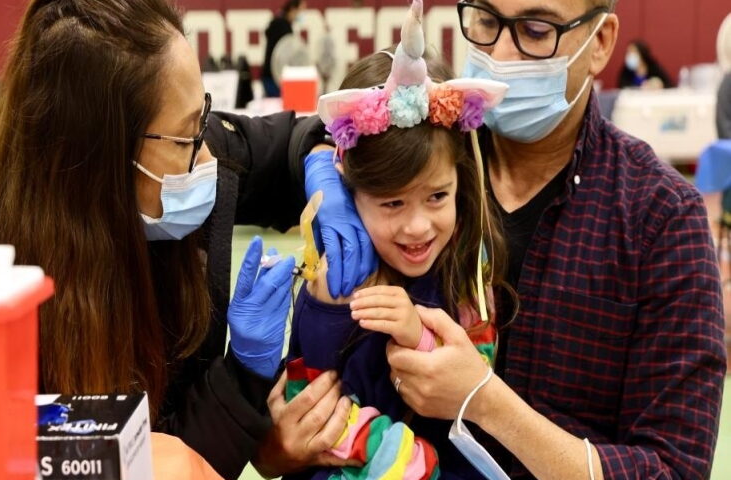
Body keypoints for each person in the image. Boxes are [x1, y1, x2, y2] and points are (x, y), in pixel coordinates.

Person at [262, 0, 727, 478]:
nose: (501, 52)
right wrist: (279, 446)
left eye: (536, 29)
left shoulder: (661, 219)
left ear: (601, 42)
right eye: (485, 21)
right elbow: (292, 417)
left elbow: (675, 468)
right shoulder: (419, 152)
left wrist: (486, 403)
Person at [0, 0, 372, 478]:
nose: (210, 159)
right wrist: (243, 376)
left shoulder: (189, 151)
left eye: (202, 120)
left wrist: (322, 160)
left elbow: (287, 142)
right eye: (187, 138)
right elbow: (146, 465)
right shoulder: (1, 291)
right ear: (102, 158)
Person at [283, 2, 512, 475]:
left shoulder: (469, 262)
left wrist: (419, 338)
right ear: (349, 194)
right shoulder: (334, 280)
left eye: (437, 196)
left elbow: (478, 375)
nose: (418, 227)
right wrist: (327, 310)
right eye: (392, 203)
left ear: (461, 182)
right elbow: (311, 410)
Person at [261, 0, 307, 97]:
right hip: (274, 78)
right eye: (301, 10)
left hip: (271, 76)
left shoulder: (280, 23)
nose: (302, 14)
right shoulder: (282, 26)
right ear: (293, 9)